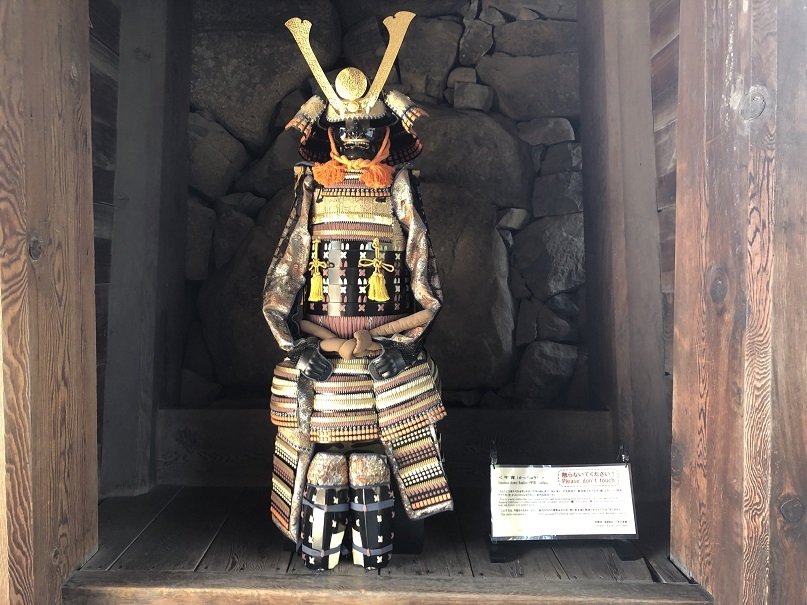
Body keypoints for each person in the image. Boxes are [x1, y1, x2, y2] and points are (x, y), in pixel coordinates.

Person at [262, 12, 453, 571]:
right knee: (319, 465)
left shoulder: (397, 186)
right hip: (319, 350)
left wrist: (402, 342)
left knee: (373, 464)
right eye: (344, 132)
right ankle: (319, 550)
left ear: (384, 135)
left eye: (366, 131)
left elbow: (421, 264)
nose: (354, 140)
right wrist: (301, 343)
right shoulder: (312, 188)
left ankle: (374, 554)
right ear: (326, 136)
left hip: (386, 352)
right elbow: (288, 269)